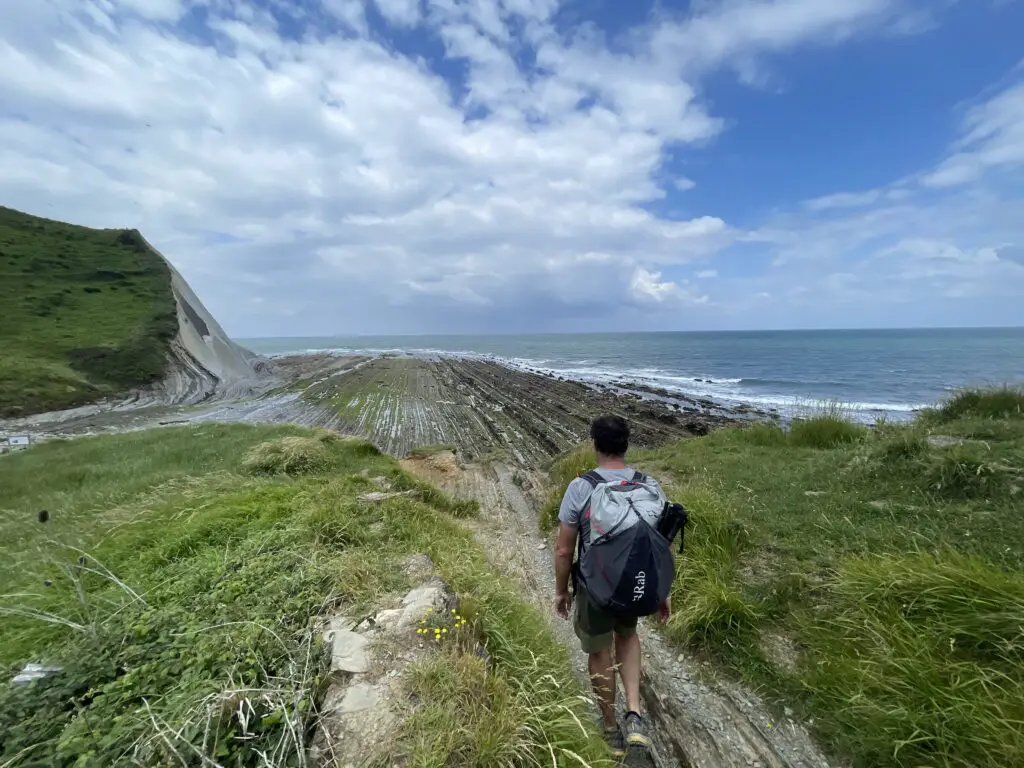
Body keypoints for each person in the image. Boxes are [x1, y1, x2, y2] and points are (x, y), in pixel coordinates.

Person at [554, 414, 670, 757]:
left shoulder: (582, 487)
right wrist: (662, 591)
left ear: (594, 445)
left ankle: (610, 727)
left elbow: (563, 549)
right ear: (626, 445)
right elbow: (659, 548)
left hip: (596, 587)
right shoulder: (648, 485)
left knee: (599, 650)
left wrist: (561, 592)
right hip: (636, 583)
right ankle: (634, 714)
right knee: (629, 636)